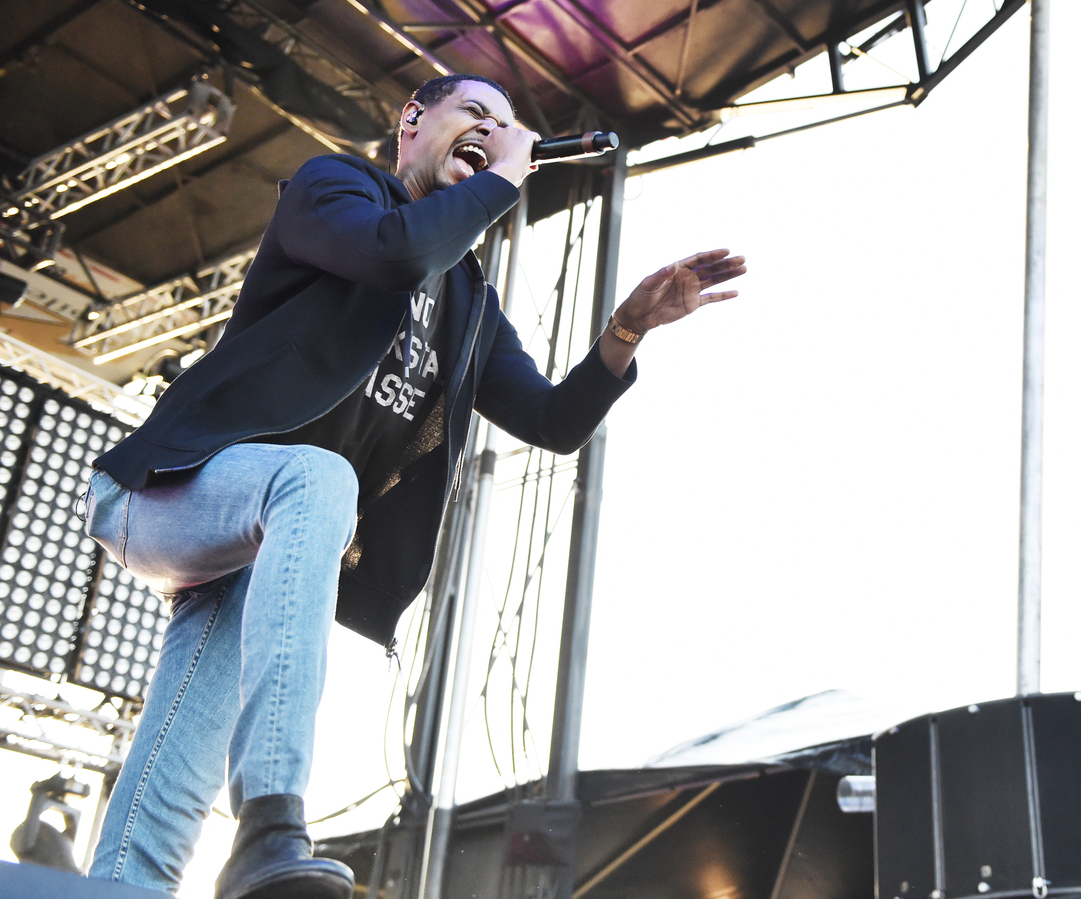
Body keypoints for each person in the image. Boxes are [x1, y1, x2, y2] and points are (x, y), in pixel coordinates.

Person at [84, 73, 746, 899]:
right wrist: (507, 175)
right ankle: (271, 822)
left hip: (259, 536)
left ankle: (116, 886)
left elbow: (551, 419)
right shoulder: (336, 189)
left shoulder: (468, 300)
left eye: (508, 129)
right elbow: (394, 252)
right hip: (167, 489)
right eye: (475, 114)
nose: (494, 132)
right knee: (319, 477)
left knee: (180, 749)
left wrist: (627, 328)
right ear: (411, 121)